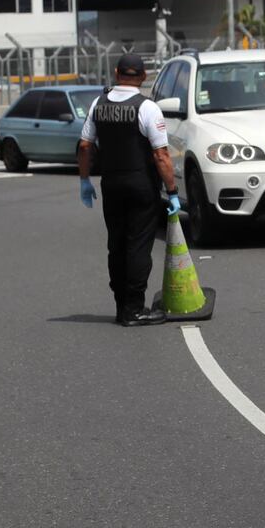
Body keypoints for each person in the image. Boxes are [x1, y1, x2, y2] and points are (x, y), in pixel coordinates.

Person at [77, 52, 181, 327]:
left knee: (117, 245)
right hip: (141, 185)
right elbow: (161, 155)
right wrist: (172, 192)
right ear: (144, 76)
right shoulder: (147, 107)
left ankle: (122, 306)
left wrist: (84, 180)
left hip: (111, 184)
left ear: (116, 72)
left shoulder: (98, 104)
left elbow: (86, 146)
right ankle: (135, 310)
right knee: (138, 246)